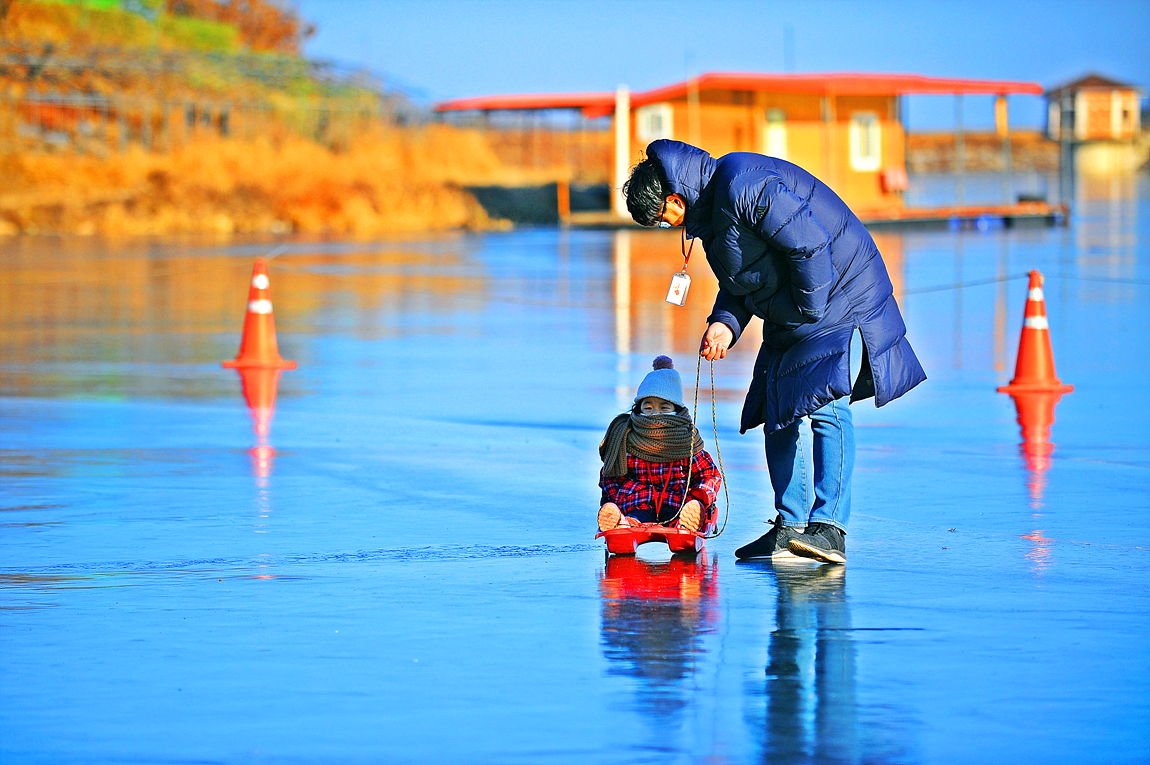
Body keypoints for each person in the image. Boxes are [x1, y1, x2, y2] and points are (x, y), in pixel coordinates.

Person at [623, 140, 926, 564]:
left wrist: (808, 310)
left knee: (826, 406)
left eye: (661, 219)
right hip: (797, 309)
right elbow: (742, 280)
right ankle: (789, 527)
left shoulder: (743, 186)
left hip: (838, 295)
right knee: (777, 409)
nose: (667, 226)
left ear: (674, 198)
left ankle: (829, 529)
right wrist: (724, 324)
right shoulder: (712, 217)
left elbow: (811, 244)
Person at [598, 355, 723, 534]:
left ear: (676, 410)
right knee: (634, 518)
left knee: (683, 513)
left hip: (677, 502)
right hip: (638, 500)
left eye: (664, 408)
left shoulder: (685, 441)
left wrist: (701, 496)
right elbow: (611, 475)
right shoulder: (628, 439)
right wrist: (614, 499)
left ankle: (687, 523)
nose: (656, 414)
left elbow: (708, 474)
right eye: (648, 408)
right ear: (639, 409)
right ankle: (623, 522)